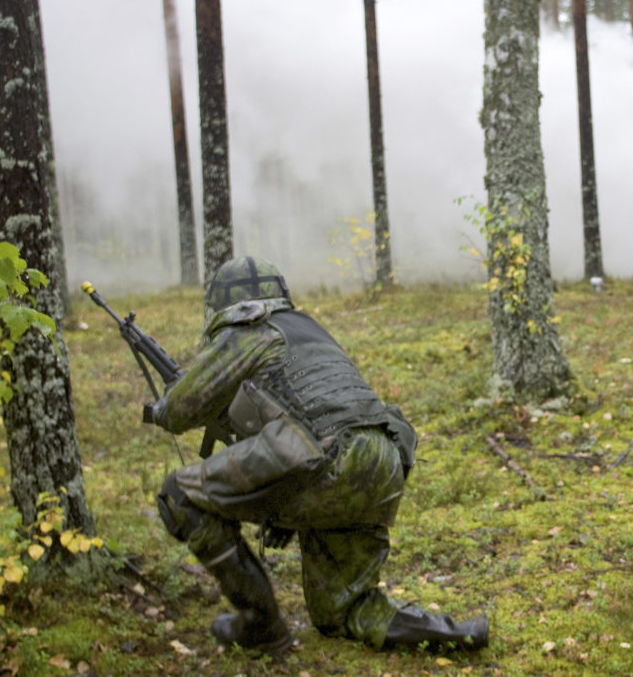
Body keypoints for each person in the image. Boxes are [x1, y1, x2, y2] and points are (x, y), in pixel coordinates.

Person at [146, 256, 489, 657]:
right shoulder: (310, 330)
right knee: (339, 611)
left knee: (179, 495)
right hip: (385, 461)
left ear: (222, 306)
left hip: (327, 462)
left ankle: (262, 626)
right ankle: (457, 634)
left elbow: (178, 411)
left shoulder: (246, 333)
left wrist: (161, 404)